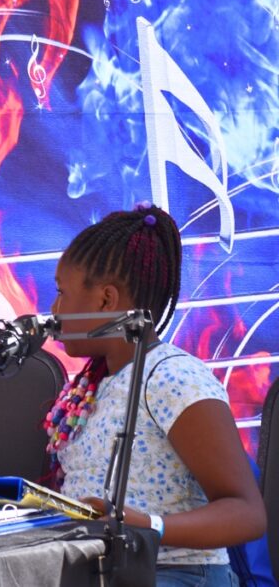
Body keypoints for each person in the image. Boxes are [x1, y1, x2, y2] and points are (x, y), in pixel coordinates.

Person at [43, 202, 266, 585]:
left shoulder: (173, 378)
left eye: (62, 293)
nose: (54, 308)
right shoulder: (91, 384)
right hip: (103, 574)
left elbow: (247, 513)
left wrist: (148, 525)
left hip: (177, 573)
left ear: (106, 299)